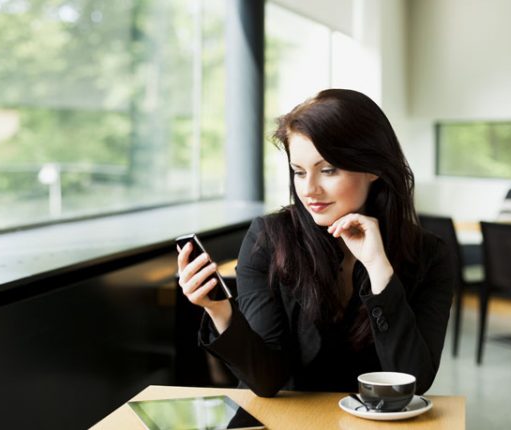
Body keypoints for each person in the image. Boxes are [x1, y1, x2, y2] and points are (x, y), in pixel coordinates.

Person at [177, 89, 454, 397]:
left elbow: (413, 380)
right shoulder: (269, 240)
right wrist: (219, 311)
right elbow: (268, 380)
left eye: (328, 170)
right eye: (298, 172)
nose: (309, 190)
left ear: (373, 168)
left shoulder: (430, 255)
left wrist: (379, 270)